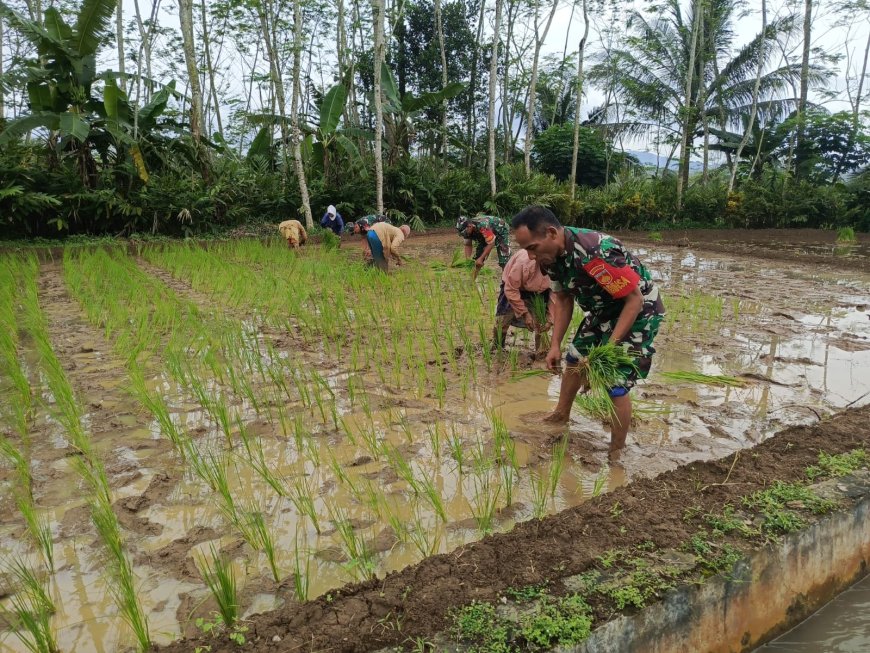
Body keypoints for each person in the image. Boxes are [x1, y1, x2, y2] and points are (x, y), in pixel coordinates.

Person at [510, 205, 665, 453]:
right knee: (574, 359)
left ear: (551, 233)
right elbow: (562, 299)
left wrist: (607, 349)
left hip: (638, 311)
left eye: (532, 248)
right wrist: (554, 345)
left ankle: (616, 453)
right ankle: (561, 415)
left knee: (614, 381)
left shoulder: (595, 252)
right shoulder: (549, 257)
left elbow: (633, 300)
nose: (530, 256)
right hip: (603, 310)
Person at [493, 248, 555, 358]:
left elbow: (556, 296)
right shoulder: (523, 263)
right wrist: (525, 313)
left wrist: (550, 320)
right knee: (502, 320)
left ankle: (541, 352)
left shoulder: (558, 268)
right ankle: (498, 348)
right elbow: (511, 289)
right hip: (513, 286)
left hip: (540, 290)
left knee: (541, 323)